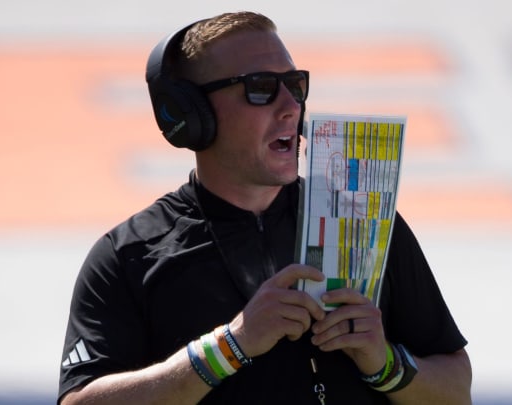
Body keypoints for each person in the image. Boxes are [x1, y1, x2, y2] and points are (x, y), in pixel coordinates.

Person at [58, 11, 472, 405]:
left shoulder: (364, 222)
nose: (291, 106)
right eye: (261, 87)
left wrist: (386, 365)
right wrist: (227, 348)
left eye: (295, 85)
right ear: (193, 114)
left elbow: (456, 390)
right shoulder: (127, 255)